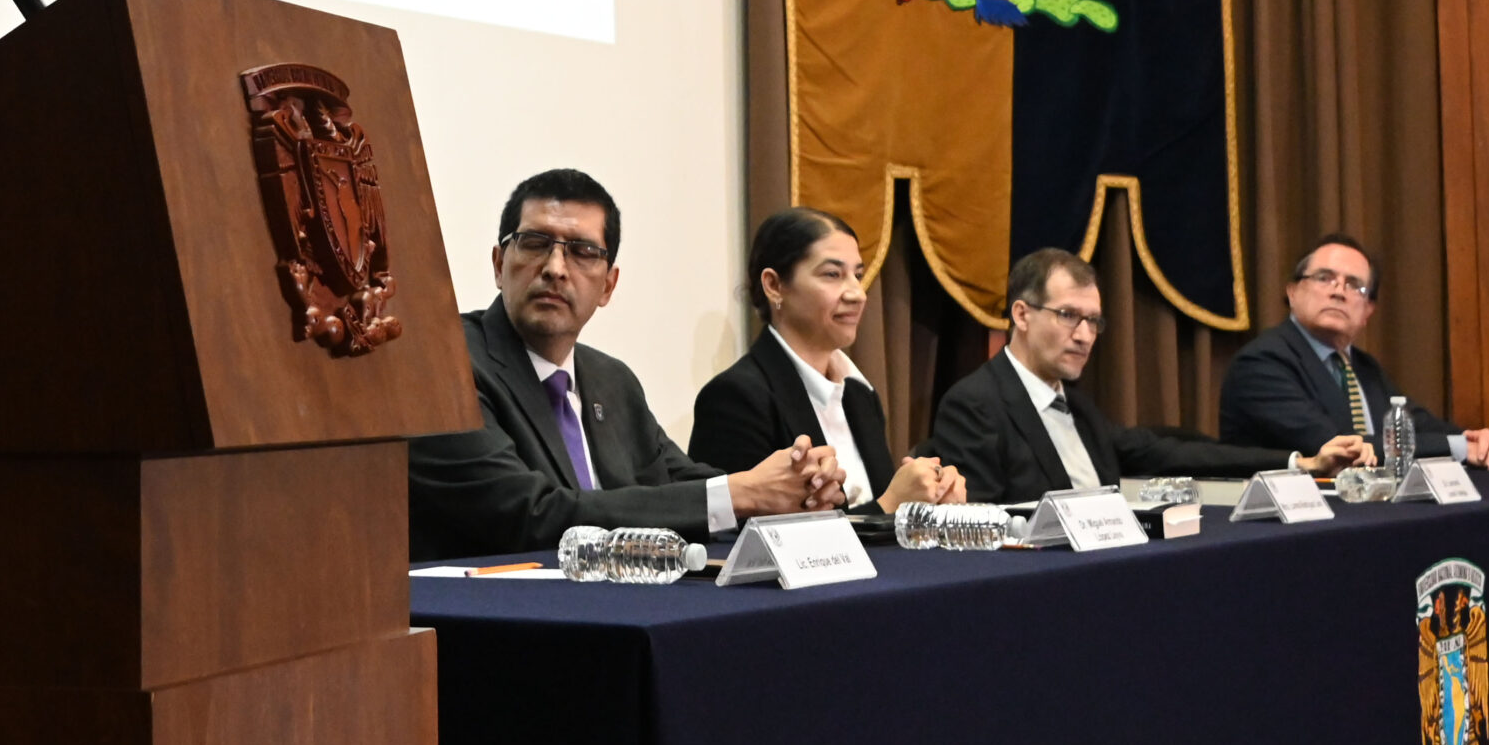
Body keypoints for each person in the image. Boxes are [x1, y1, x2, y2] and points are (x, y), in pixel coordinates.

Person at [408, 169, 847, 560]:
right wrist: (742, 493)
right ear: (500, 265)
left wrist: (800, 484)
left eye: (582, 251)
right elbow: (528, 515)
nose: (556, 268)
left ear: (608, 285)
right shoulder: (446, 366)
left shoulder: (611, 380)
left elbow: (679, 482)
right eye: (536, 244)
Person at [927, 249, 1364, 501]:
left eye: (1094, 321)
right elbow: (981, 526)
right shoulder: (975, 403)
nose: (1084, 336)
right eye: (1068, 316)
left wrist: (1300, 463)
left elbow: (1169, 454)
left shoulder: (1079, 408)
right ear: (1021, 314)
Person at [689, 206, 966, 512]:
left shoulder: (860, 394)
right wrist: (892, 505)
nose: (857, 293)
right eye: (833, 275)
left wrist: (931, 501)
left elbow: (879, 524)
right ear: (774, 285)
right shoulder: (735, 397)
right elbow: (745, 541)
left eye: (857, 275)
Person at [1219, 234, 1489, 469]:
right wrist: (1457, 447)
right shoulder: (1262, 363)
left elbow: (1412, 422)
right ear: (1292, 292)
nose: (1338, 291)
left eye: (1355, 285)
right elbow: (1341, 445)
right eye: (1324, 278)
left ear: (1368, 311)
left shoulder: (1363, 367)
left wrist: (1475, 440)